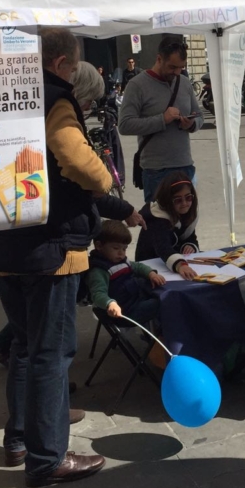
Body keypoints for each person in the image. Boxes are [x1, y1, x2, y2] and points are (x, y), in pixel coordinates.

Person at [0, 27, 110, 487]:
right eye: (73, 65)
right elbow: (75, 159)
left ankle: (19, 441)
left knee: (24, 347)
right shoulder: (56, 98)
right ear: (60, 64)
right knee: (51, 354)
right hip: (48, 247)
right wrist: (105, 180)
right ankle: (48, 457)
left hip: (0, 238)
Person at [119, 37, 204, 203]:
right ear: (159, 59)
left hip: (185, 165)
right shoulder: (137, 85)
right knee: (159, 224)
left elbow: (199, 115)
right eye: (172, 67)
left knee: (187, 225)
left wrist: (192, 123)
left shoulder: (184, 83)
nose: (177, 72)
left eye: (181, 68)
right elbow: (124, 125)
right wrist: (162, 120)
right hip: (156, 171)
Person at [84, 219, 164, 325]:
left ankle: (159, 334)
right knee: (162, 303)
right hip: (124, 312)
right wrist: (109, 303)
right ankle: (161, 337)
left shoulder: (120, 260)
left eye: (124, 249)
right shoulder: (99, 271)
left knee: (164, 293)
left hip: (136, 299)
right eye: (116, 248)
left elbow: (137, 266)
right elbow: (98, 294)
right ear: (99, 246)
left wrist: (151, 273)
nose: (121, 253)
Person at [135, 173, 200, 281]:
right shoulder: (157, 218)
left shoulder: (187, 214)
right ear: (167, 201)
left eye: (188, 197)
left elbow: (190, 236)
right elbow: (163, 247)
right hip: (150, 266)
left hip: (169, 262)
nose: (184, 203)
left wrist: (190, 245)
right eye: (178, 200)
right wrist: (181, 265)